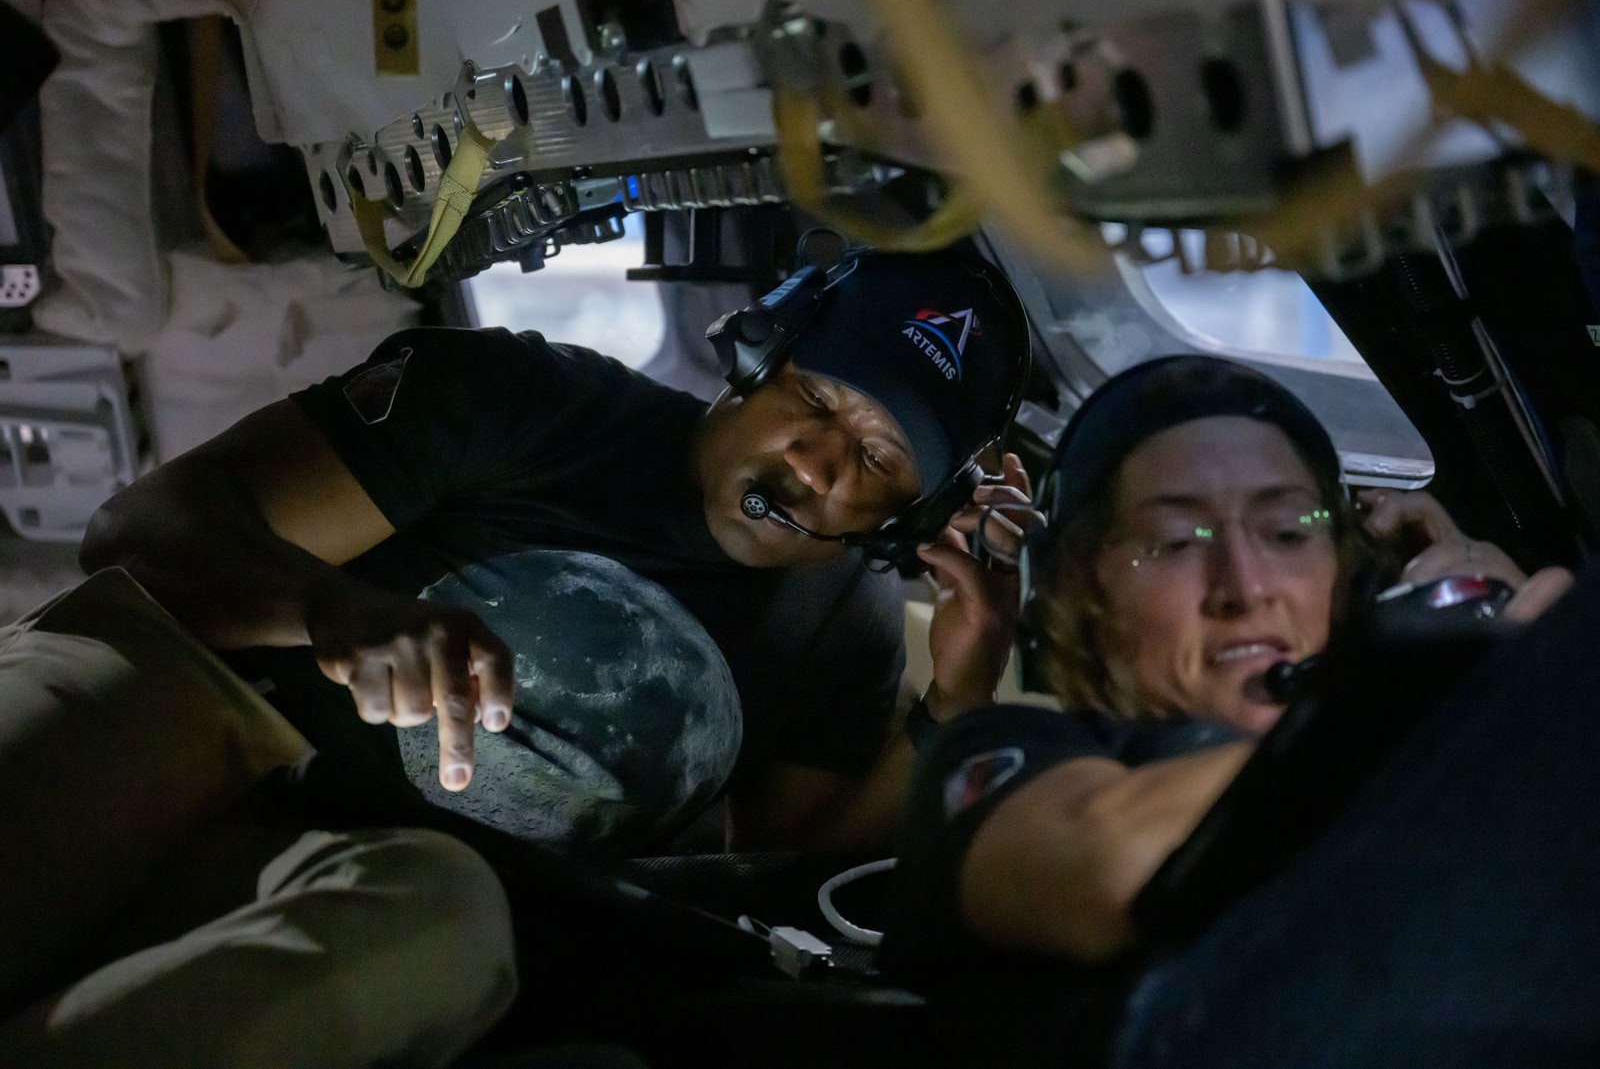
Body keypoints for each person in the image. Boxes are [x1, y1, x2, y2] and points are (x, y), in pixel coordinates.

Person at [82, 245, 1033, 853]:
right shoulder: (519, 402)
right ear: (757, 352)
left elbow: (790, 866)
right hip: (188, 774)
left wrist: (962, 691)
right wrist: (329, 609)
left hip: (451, 938)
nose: (818, 464)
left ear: (907, 515)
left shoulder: (846, 625)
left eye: (877, 457)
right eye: (817, 400)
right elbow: (133, 537)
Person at [880, 355, 1591, 1062]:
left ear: (1353, 578)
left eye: (1288, 532)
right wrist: (1471, 683)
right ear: (1075, 591)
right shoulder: (994, 756)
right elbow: (1110, 859)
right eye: (1173, 542)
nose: (1245, 588)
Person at [0, 567, 518, 1068]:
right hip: (197, 698)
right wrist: (327, 604)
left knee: (448, 913)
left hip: (385, 872)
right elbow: (134, 538)